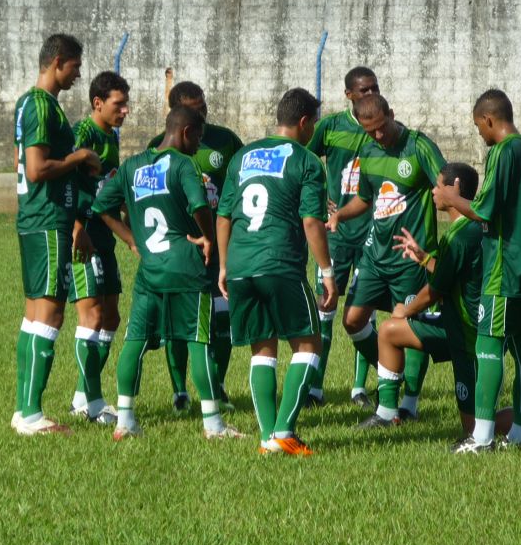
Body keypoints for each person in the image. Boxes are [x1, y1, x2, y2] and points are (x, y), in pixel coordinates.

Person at [380, 163, 521, 442]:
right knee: (390, 332)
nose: (433, 191)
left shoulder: (461, 234)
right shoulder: (470, 228)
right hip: (451, 325)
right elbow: (454, 275)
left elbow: (435, 291)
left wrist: (406, 309)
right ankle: (387, 413)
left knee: (473, 427)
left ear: (454, 189)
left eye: (438, 185)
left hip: (470, 336)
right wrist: (425, 258)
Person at [93, 105, 243, 441]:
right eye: (198, 138)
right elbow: (200, 206)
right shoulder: (183, 164)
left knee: (136, 340)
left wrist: (133, 241)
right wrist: (205, 237)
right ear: (187, 132)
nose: (198, 145)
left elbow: (102, 206)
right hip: (187, 267)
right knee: (198, 340)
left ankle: (126, 419)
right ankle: (213, 424)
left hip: (151, 269)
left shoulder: (132, 165)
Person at [434, 89, 521, 453]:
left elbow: (485, 210)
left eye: (479, 126)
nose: (480, 133)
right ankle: (520, 434)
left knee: (487, 347)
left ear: (490, 119)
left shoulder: (503, 152)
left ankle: (481, 438)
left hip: (503, 273)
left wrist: (451, 200)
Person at [217, 88, 338, 456]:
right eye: (313, 123)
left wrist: (224, 265)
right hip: (279, 263)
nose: (313, 130)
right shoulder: (306, 160)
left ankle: (268, 438)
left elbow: (224, 215)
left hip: (240, 263)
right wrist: (327, 270)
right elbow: (311, 221)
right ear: (304, 122)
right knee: (308, 343)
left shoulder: (243, 155)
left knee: (262, 349)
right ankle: (284, 432)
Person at [327, 94, 445, 423]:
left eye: (381, 128)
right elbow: (365, 199)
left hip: (410, 257)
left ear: (392, 114)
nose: (378, 136)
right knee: (352, 319)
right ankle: (389, 374)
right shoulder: (368, 150)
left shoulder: (418, 146)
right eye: (370, 132)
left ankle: (404, 404)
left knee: (403, 326)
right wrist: (341, 216)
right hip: (375, 255)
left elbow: (445, 188)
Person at [12, 33, 101, 436]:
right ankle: (31, 415)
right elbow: (36, 168)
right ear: (59, 61)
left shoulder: (35, 103)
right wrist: (79, 158)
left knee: (35, 314)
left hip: (38, 219)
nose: (77, 75)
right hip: (47, 219)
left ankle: (25, 409)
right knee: (50, 313)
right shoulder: (40, 105)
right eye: (76, 67)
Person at [147, 82, 243, 414]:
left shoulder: (226, 140)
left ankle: (217, 387)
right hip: (178, 248)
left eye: (204, 106)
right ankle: (179, 392)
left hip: (217, 244)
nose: (203, 113)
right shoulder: (157, 147)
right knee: (178, 323)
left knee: (223, 319)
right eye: (195, 108)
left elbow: (240, 183)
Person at [305, 66, 378, 409]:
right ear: (348, 94)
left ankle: (359, 388)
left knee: (364, 313)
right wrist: (320, 199)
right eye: (363, 90)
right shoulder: (332, 127)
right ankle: (315, 388)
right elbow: (303, 159)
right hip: (334, 235)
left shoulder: (382, 126)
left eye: (374, 88)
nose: (369, 94)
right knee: (325, 309)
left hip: (371, 235)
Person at [67, 71, 130, 424]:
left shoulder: (111, 137)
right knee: (90, 316)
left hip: (104, 234)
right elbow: (68, 180)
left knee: (110, 316)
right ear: (98, 103)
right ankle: (93, 402)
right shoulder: (83, 134)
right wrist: (76, 225)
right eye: (118, 104)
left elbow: (108, 187)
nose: (125, 111)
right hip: (84, 235)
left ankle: (80, 394)